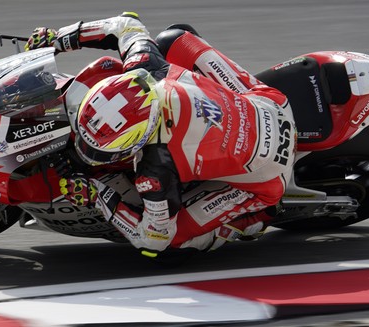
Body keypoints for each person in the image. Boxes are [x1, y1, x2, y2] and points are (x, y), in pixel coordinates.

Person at [25, 12, 296, 258]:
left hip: (268, 171)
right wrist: (59, 38)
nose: (87, 151)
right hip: (269, 101)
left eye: (100, 151)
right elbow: (126, 23)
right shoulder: (145, 64)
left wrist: (97, 196)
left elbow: (153, 238)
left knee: (173, 238)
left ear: (140, 141)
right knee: (174, 38)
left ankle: (250, 222)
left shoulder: (156, 169)